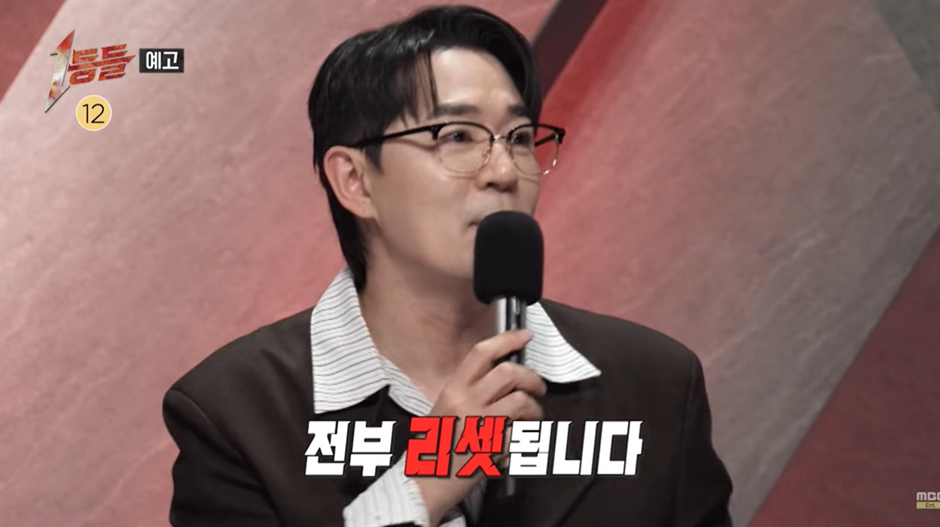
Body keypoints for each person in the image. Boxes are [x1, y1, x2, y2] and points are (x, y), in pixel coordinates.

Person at [162, 4, 733, 527]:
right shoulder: (235, 412)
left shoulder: (654, 383)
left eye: (519, 138)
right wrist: (427, 482)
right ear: (355, 181)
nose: (504, 171)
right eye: (457, 135)